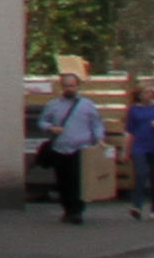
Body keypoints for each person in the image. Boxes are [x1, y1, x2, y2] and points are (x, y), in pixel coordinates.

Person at [33, 69, 104, 224]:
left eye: (72, 86)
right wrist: (51, 128)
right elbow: (42, 121)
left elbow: (96, 124)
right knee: (63, 181)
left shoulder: (87, 105)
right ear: (61, 87)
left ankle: (77, 211)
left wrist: (99, 139)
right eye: (66, 86)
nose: (69, 89)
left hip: (81, 149)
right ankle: (67, 208)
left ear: (78, 86)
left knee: (78, 180)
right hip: (61, 148)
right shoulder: (53, 105)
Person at [123, 75, 154, 222]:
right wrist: (126, 150)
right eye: (145, 92)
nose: (149, 95)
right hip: (139, 146)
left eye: (151, 92)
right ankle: (137, 206)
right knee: (140, 174)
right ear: (139, 95)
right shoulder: (134, 110)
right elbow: (129, 131)